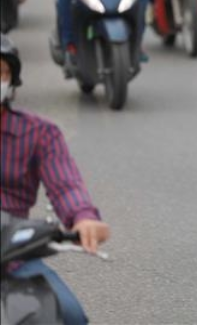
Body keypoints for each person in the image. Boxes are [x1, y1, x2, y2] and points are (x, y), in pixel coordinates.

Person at [1, 34, 111, 325]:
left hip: (13, 257)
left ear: (11, 81)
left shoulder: (39, 133)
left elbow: (65, 185)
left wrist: (83, 218)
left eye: (0, 72)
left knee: (69, 316)